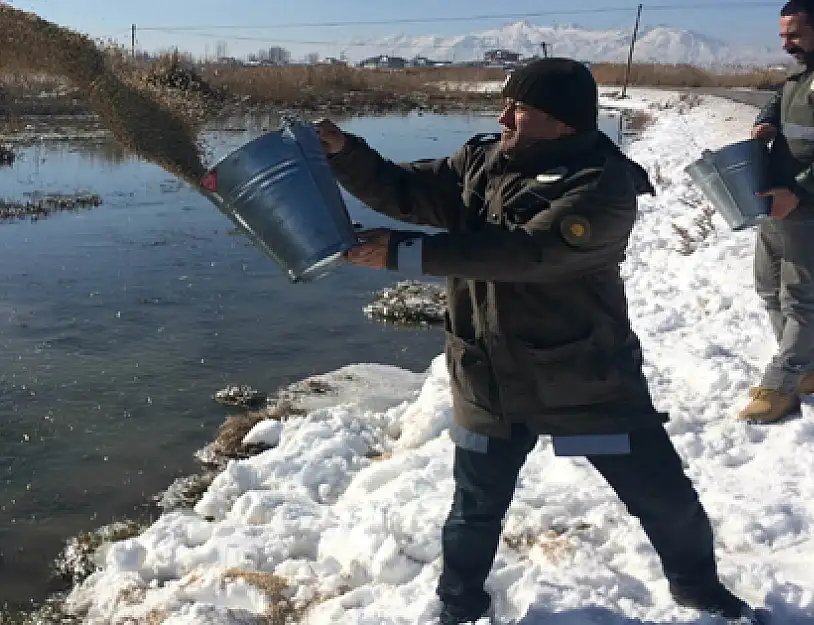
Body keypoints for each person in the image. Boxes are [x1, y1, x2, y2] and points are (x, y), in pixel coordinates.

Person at [314, 57, 754, 625]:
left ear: (563, 123)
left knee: (660, 498)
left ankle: (701, 593)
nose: (502, 116)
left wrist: (403, 252)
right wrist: (343, 153)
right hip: (488, 378)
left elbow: (527, 254)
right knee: (475, 509)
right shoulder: (482, 161)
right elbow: (405, 190)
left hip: (583, 387)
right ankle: (460, 604)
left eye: (518, 110)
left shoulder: (603, 186)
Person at [743, 0, 814, 423]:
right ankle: (804, 369)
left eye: (795, 34)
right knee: (769, 287)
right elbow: (778, 100)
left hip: (805, 206)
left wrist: (800, 192)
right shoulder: (797, 73)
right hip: (776, 200)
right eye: (783, 35)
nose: (786, 43)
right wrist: (766, 120)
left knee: (802, 299)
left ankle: (781, 385)